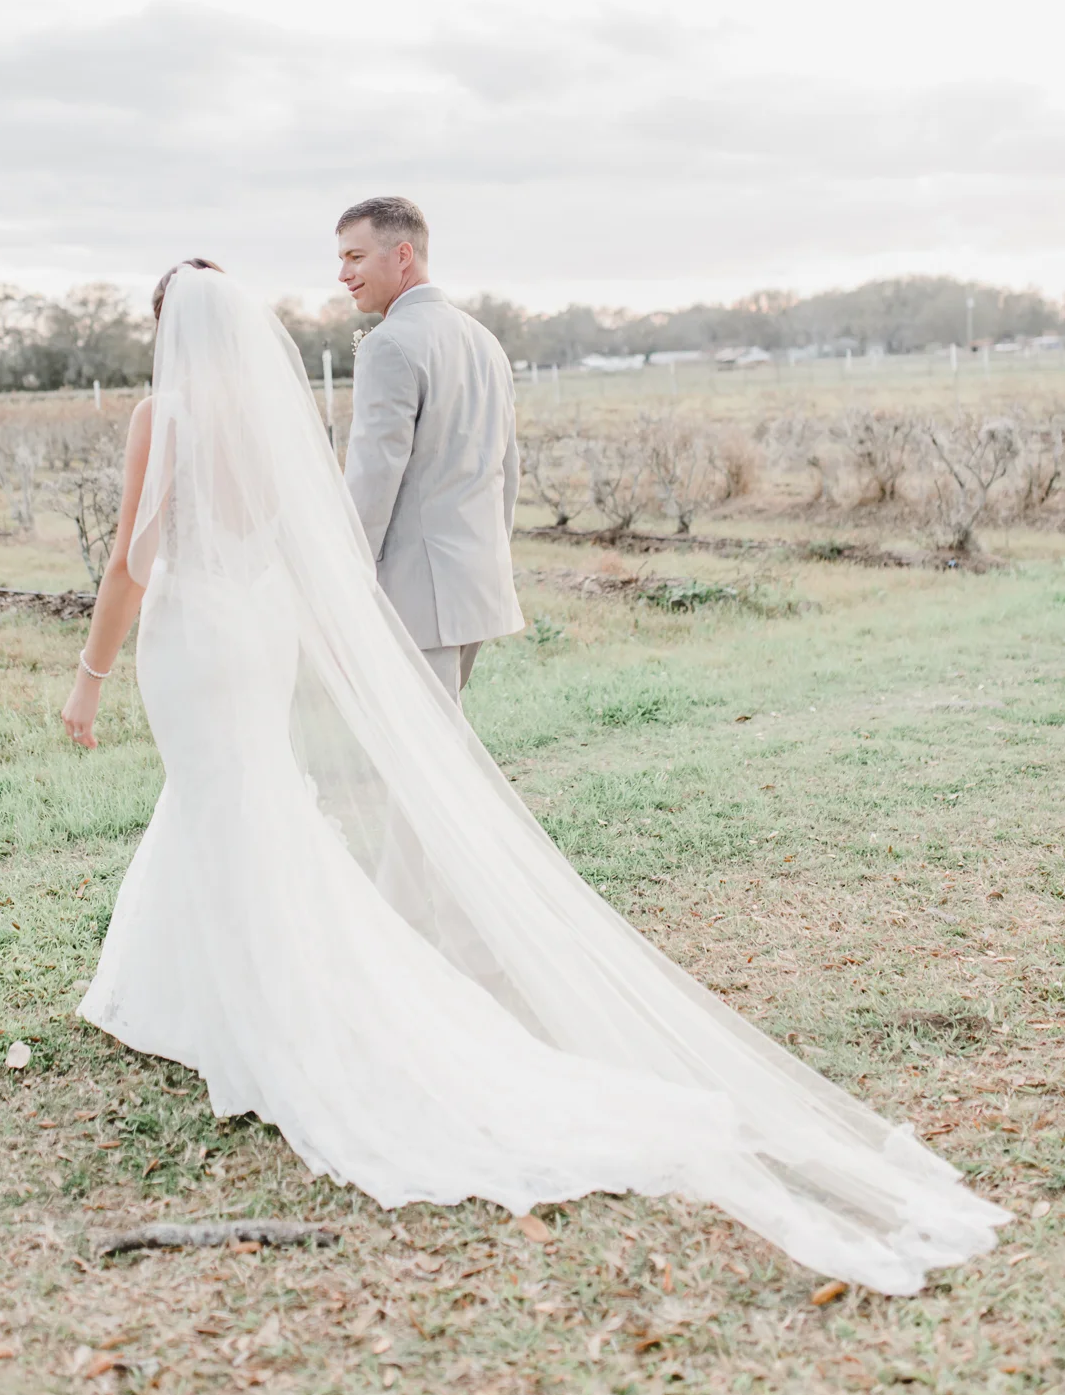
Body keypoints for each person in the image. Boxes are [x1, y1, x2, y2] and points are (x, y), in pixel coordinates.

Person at [61, 262, 1006, 1295]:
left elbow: (130, 561)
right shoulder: (266, 416)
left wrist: (87, 675)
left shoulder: (163, 413)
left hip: (193, 636)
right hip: (256, 632)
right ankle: (177, 990)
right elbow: (297, 541)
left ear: (164, 331)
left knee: (223, 800)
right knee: (244, 799)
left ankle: (247, 1008)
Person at [337, 197, 523, 701]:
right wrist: (492, 553)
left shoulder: (389, 344)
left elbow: (373, 478)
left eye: (355, 257)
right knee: (444, 744)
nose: (342, 273)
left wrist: (342, 572)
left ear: (401, 255)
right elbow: (507, 466)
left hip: (416, 590)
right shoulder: (485, 339)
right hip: (477, 578)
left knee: (420, 758)